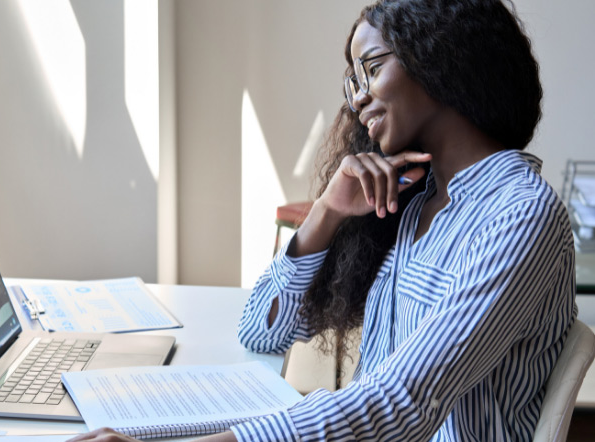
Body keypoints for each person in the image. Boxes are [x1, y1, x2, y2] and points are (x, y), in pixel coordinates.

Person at [69, 0, 575, 441]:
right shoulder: (412, 204)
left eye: (372, 68)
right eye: (353, 80)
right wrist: (327, 212)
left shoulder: (520, 214)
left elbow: (403, 403)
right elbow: (260, 332)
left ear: (441, 58)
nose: (357, 98)